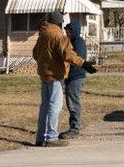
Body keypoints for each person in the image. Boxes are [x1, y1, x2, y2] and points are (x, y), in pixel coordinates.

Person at [32, 12, 96, 147]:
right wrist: (84, 64)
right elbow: (69, 55)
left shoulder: (42, 35)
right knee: (54, 106)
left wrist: (46, 62)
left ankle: (40, 137)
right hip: (55, 76)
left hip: (44, 75)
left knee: (44, 106)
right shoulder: (58, 36)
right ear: (59, 23)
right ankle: (51, 137)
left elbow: (35, 54)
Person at [60, 21, 88, 140]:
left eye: (69, 31)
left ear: (74, 31)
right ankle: (73, 127)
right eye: (66, 31)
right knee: (71, 102)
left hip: (76, 77)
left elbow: (76, 61)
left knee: (73, 103)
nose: (67, 33)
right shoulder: (72, 42)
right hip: (72, 77)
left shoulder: (78, 42)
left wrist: (67, 75)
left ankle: (74, 129)